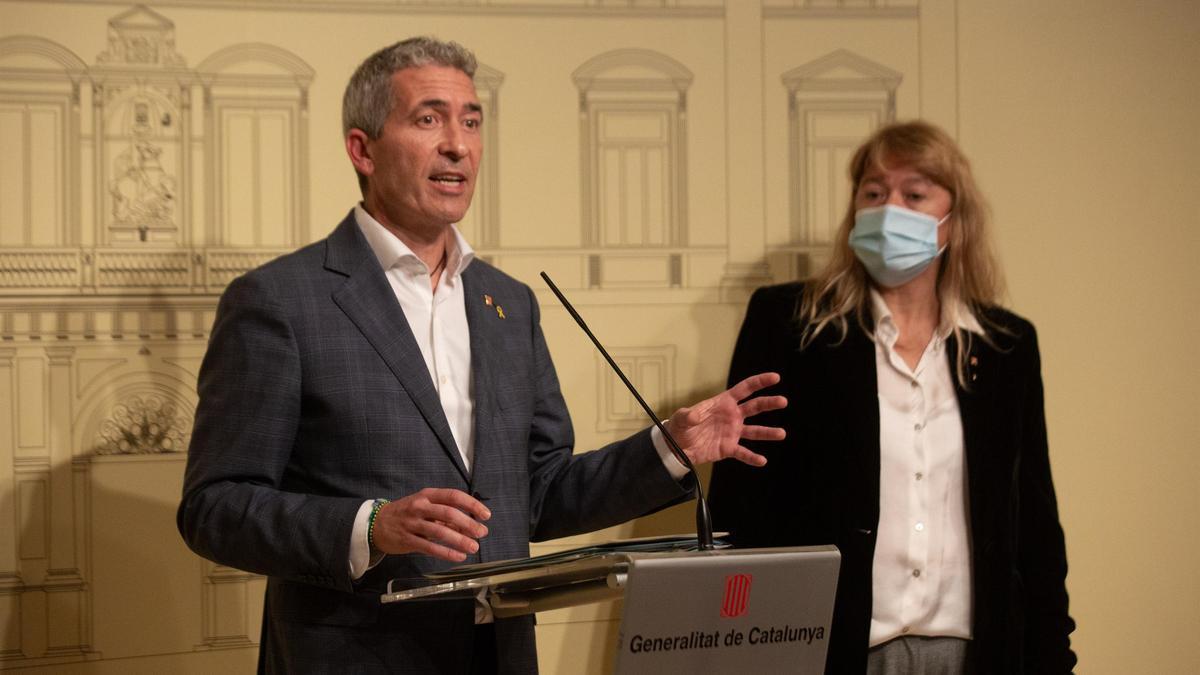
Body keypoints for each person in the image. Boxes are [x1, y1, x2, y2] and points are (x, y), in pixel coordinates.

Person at [176, 36, 785, 674]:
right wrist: (371, 526)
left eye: (471, 121)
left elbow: (539, 494)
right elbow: (215, 507)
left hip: (500, 657)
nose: (458, 145)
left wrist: (668, 449)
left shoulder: (508, 303)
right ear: (363, 149)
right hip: (352, 658)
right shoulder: (281, 301)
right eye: (428, 118)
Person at [708, 120, 1076, 674]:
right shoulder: (790, 326)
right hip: (836, 649)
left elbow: (1034, 523)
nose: (888, 210)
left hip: (975, 651)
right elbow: (744, 499)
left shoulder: (1006, 346)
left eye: (914, 194)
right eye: (874, 193)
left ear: (953, 220)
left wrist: (1054, 657)